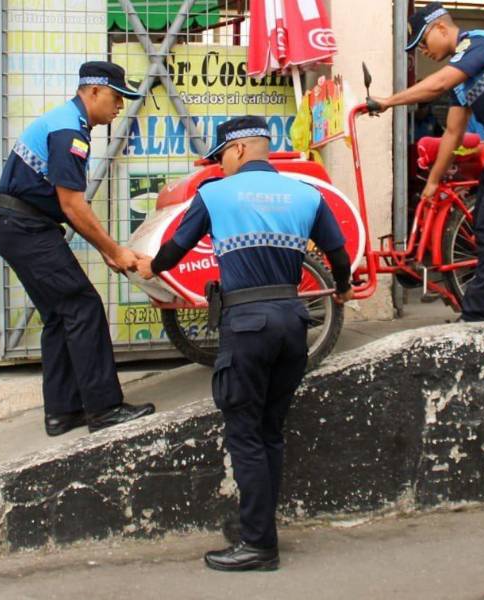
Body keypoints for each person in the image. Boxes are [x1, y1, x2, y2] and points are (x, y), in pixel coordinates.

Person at [137, 116, 353, 572]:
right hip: (294, 324)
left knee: (245, 435)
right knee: (270, 432)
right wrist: (342, 288)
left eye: (221, 158)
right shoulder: (305, 194)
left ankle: (258, 545)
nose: (221, 166)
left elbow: (175, 249)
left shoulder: (215, 194)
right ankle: (256, 527)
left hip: (247, 326)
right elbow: (337, 254)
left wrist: (149, 267)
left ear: (236, 150)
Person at [0, 61, 154, 437]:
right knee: (83, 306)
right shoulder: (68, 132)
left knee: (61, 316)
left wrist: (107, 250)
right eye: (116, 96)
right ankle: (105, 409)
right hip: (25, 228)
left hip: (16, 227)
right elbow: (72, 205)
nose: (120, 105)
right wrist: (115, 250)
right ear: (93, 91)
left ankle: (63, 412)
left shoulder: (68, 124)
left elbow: (67, 206)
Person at [369, 1, 484, 322]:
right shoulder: (463, 81)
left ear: (441, 28)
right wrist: (432, 182)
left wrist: (388, 101)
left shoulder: (480, 43)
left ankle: (475, 312)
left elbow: (438, 84)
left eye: (423, 42)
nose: (423, 51)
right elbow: (453, 133)